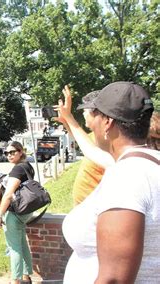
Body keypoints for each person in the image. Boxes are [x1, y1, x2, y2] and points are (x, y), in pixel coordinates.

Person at [56, 82, 159, 283]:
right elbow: (91, 149)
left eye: (95, 116)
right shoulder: (147, 163)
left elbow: (114, 279)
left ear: (107, 123)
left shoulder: (126, 178)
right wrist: (69, 119)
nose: (90, 125)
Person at [0, 141, 34, 284]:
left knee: (14, 247)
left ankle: (15, 280)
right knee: (22, 243)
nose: (9, 155)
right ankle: (26, 276)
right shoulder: (28, 166)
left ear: (21, 151)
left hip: (15, 213)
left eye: (12, 152)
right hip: (26, 212)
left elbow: (8, 195)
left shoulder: (17, 170)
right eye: (7, 153)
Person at [70, 91, 109, 205]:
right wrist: (66, 119)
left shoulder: (106, 140)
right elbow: (80, 139)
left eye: (85, 111)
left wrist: (69, 117)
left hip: (97, 210)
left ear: (96, 114)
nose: (83, 114)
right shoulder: (94, 137)